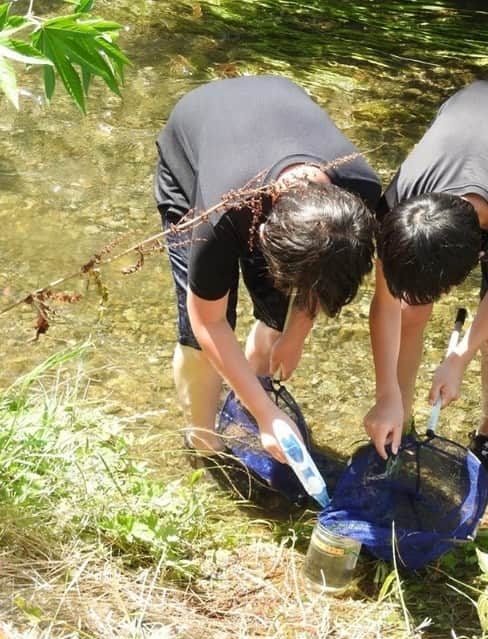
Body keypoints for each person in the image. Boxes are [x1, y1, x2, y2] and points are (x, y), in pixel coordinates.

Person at [155, 75, 381, 465]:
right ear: (262, 234)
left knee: (275, 313)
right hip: (194, 144)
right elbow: (206, 321)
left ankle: (249, 402)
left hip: (272, 112)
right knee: (199, 336)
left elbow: (322, 275)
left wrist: (295, 334)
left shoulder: (360, 195)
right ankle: (205, 444)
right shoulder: (219, 219)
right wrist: (266, 413)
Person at [364, 80, 488, 489]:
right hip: (462, 112)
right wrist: (386, 394)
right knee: (409, 310)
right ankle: (399, 420)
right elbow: (385, 303)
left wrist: (459, 357)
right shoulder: (398, 210)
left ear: (477, 257)